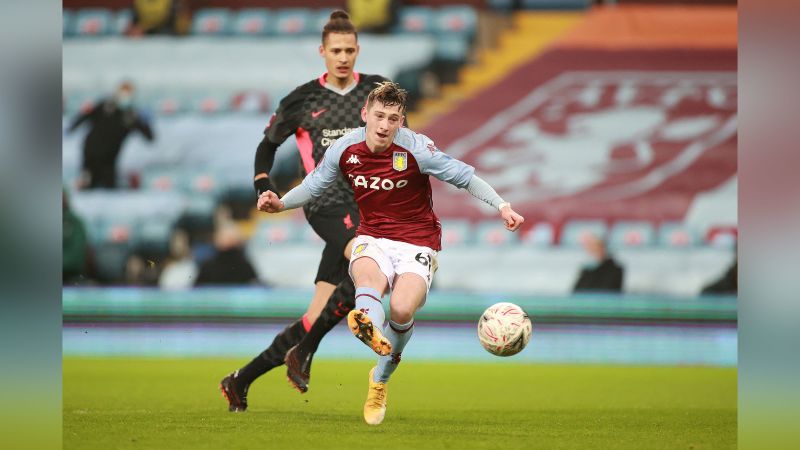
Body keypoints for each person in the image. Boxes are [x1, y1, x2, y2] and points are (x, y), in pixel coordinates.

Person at [257, 81, 524, 425]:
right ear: (365, 113)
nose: (384, 125)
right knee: (367, 276)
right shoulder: (344, 149)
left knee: (401, 308)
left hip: (417, 242)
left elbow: (465, 177)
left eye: (393, 118)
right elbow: (314, 185)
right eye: (379, 116)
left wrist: (502, 205)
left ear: (402, 121)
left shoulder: (418, 149)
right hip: (373, 236)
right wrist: (280, 203)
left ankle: (378, 379)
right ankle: (368, 323)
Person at [219, 10, 397, 412]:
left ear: (358, 50)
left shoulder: (376, 92)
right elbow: (267, 146)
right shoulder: (303, 99)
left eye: (350, 50)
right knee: (373, 266)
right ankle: (306, 353)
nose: (343, 57)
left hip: (369, 207)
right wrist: (264, 185)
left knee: (314, 314)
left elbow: (399, 140)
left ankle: (240, 381)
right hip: (327, 205)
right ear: (322, 51)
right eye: (336, 50)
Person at [67, 81, 154, 189]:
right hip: (91, 153)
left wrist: (147, 122)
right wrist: (70, 129)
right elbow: (85, 117)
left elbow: (149, 137)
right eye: (123, 93)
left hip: (109, 159)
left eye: (128, 94)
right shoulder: (105, 105)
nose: (125, 97)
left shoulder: (131, 115)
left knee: (110, 186)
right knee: (87, 185)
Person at [127, 0, 191, 37]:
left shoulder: (171, 2)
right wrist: (134, 28)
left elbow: (170, 23)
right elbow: (135, 18)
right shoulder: (139, 2)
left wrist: (146, 31)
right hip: (144, 34)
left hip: (167, 34)